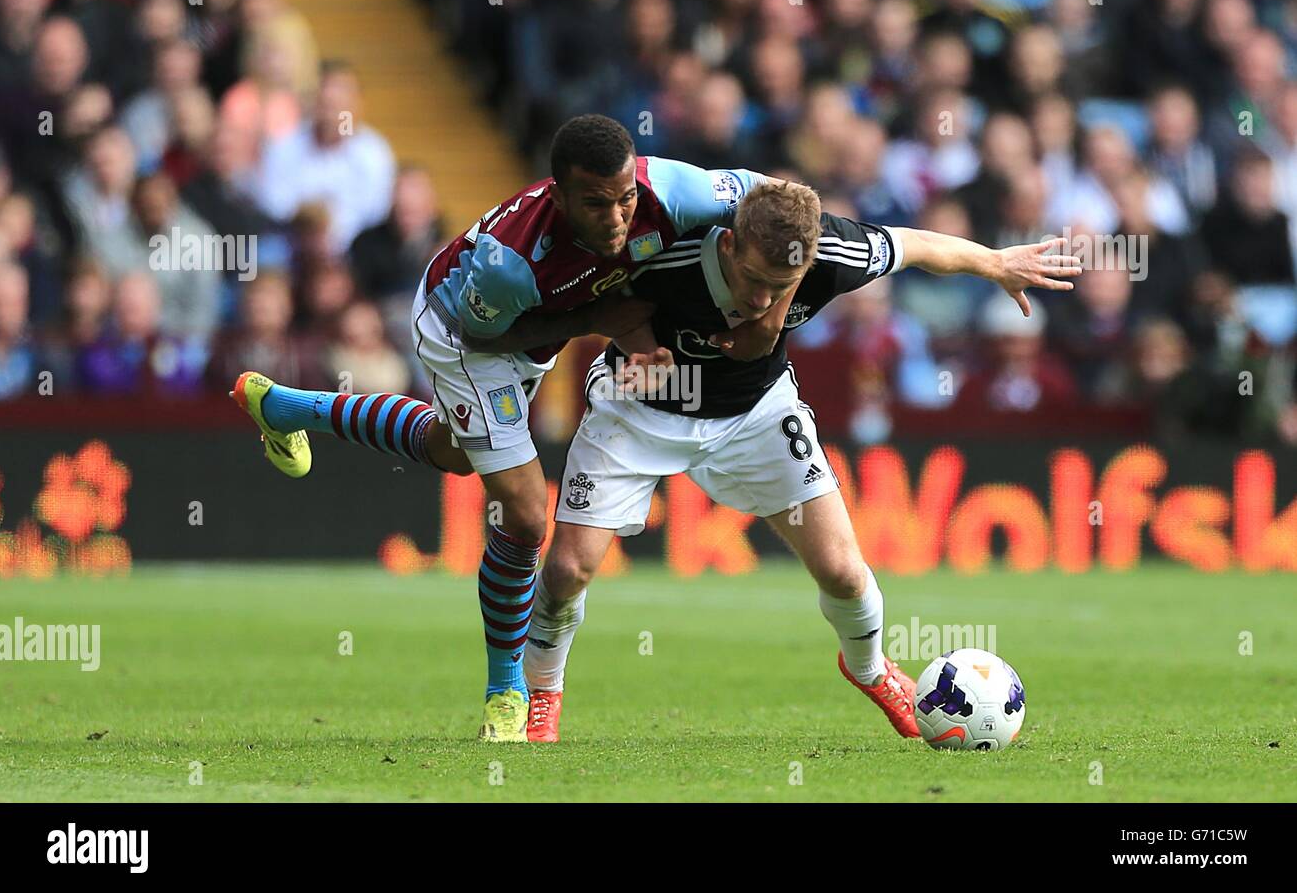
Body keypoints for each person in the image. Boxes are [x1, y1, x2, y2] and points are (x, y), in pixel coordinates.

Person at [230, 114, 786, 741]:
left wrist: (781, 296)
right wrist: (600, 318)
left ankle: (283, 409)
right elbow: (486, 334)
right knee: (524, 515)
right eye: (597, 204)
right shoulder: (510, 263)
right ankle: (506, 688)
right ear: (559, 195)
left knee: (451, 449)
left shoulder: (677, 191)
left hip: (538, 321)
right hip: (467, 331)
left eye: (626, 197)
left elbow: (778, 208)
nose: (618, 218)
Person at [502, 180, 1078, 741]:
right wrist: (639, 347)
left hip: (757, 412)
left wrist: (996, 264)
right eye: (751, 279)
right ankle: (544, 694)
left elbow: (920, 245)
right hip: (637, 410)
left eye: (780, 285)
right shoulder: (666, 246)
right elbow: (584, 303)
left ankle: (870, 669)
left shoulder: (834, 253)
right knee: (566, 571)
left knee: (846, 575)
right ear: (728, 244)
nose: (759, 298)